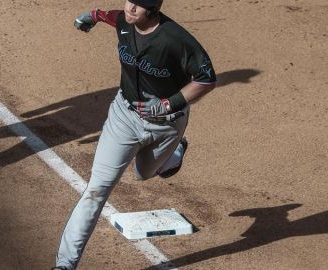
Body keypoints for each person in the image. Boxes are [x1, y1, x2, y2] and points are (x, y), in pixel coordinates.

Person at [51, 0, 216, 269]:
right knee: (97, 189)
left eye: (139, 4)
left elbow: (206, 79)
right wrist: (93, 15)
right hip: (124, 116)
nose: (131, 7)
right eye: (130, 0)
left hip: (166, 124)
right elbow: (113, 15)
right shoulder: (124, 23)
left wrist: (166, 104)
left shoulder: (176, 40)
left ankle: (175, 152)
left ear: (152, 8)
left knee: (144, 173)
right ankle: (65, 264)